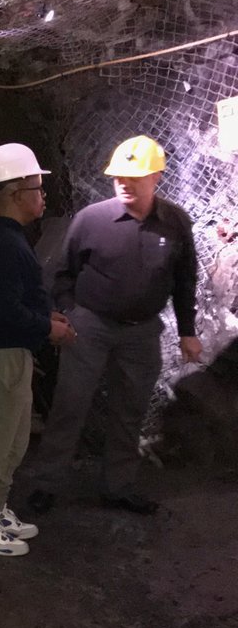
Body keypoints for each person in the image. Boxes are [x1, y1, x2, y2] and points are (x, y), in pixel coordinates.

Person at [24, 135, 201, 517]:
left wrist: (188, 331)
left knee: (130, 409)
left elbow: (186, 279)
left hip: (141, 332)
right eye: (118, 175)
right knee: (70, 405)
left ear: (156, 176)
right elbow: (65, 272)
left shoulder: (175, 223)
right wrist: (72, 312)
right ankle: (47, 484)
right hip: (91, 325)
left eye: (134, 176)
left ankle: (117, 487)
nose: (124, 182)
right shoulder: (92, 220)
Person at [0, 143, 76, 557]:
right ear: (13, 194)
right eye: (36, 187)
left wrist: (48, 317)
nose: (43, 196)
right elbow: (1, 309)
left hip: (2, 351)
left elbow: (14, 297)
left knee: (13, 439)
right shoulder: (2, 244)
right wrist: (48, 328)